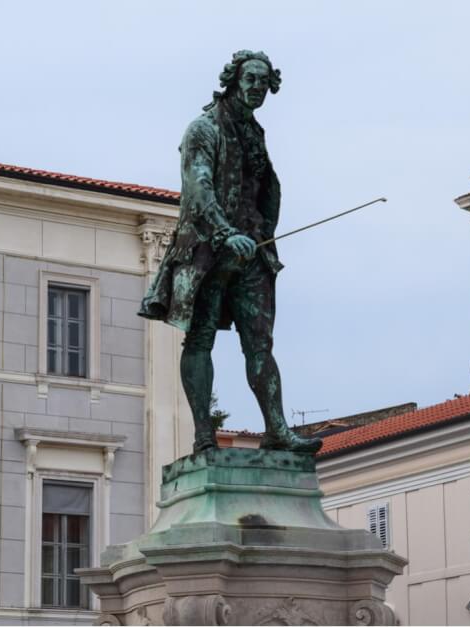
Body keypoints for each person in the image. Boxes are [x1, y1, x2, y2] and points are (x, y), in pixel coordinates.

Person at [139, 50, 322, 454]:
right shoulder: (203, 129)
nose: (257, 88)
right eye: (251, 79)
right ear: (234, 81)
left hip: (253, 250)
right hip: (208, 249)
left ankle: (276, 430)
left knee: (260, 344)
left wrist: (261, 235)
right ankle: (204, 435)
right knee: (200, 338)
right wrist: (224, 233)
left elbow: (263, 190)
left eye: (263, 82)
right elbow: (199, 187)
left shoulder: (255, 133)